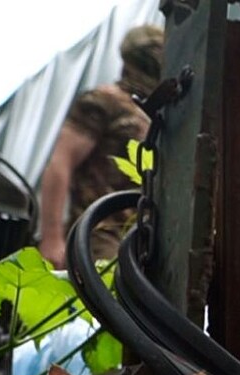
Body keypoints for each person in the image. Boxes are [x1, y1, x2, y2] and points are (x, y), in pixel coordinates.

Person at [38, 24, 164, 269]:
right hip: (99, 236)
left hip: (141, 242)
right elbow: (61, 161)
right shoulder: (106, 100)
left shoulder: (159, 115)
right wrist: (52, 238)